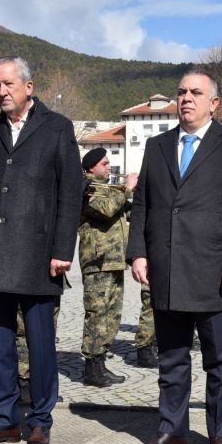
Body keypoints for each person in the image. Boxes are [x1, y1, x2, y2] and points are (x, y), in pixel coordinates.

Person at [127, 70, 222, 444]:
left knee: (220, 360)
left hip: (215, 272)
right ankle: (172, 432)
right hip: (167, 269)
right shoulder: (158, 146)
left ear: (213, 103)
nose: (186, 98)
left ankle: (219, 435)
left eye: (196, 92)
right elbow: (143, 203)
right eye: (181, 92)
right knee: (171, 357)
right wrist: (138, 252)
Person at [0, 57, 83, 444]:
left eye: (8, 84)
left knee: (40, 346)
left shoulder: (57, 127)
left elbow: (71, 194)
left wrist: (62, 249)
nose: (1, 92)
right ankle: (4, 421)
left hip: (39, 256)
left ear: (28, 87)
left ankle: (40, 421)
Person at [78, 147, 136, 386]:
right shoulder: (87, 188)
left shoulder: (110, 189)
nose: (109, 167)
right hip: (97, 261)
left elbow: (128, 212)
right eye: (104, 163)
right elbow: (106, 210)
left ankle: (100, 362)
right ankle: (91, 368)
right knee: (97, 314)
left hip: (114, 261)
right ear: (91, 167)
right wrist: (127, 189)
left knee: (112, 315)